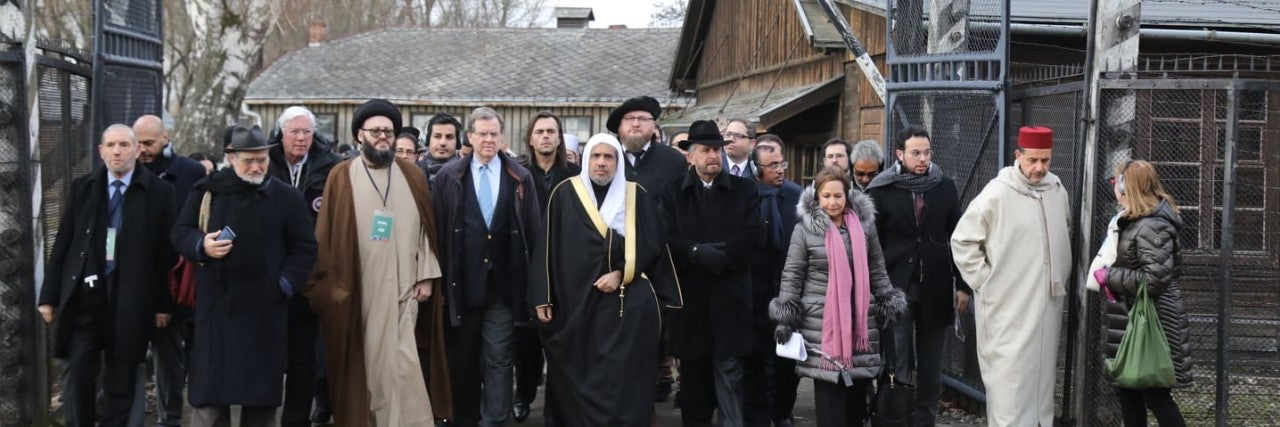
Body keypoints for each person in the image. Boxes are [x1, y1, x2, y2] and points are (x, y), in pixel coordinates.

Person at [305, 99, 451, 426]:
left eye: (388, 131)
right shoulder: (341, 176)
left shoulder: (413, 175)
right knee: (367, 367)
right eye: (376, 131)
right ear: (360, 135)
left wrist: (426, 276)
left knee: (404, 365)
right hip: (359, 291)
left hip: (405, 291)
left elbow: (427, 232)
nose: (383, 137)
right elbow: (326, 236)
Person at [531, 133, 683, 426]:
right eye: (596, 156)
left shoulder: (635, 194)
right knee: (576, 371)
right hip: (574, 305)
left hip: (623, 306)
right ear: (587, 160)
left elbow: (652, 245)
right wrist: (542, 296)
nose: (602, 163)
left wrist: (621, 274)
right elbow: (546, 248)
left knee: (623, 376)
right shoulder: (564, 193)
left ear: (618, 162)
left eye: (609, 157)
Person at [172, 125, 317, 427]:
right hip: (216, 312)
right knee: (210, 403)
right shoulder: (207, 190)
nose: (256, 167)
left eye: (261, 160)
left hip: (264, 313)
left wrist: (284, 285)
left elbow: (304, 247)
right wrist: (202, 245)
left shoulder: (286, 197)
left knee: (261, 403)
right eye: (248, 161)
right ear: (231, 157)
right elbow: (180, 233)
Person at [39, 124, 176, 427]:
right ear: (101, 151)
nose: (117, 151)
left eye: (124, 145)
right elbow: (63, 243)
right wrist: (49, 297)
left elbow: (165, 256)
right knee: (78, 369)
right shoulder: (83, 187)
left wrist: (163, 305)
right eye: (111, 145)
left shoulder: (160, 193)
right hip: (87, 295)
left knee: (121, 377)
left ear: (137, 150)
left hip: (131, 299)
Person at [950, 126, 1071, 427]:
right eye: (1033, 160)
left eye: (1045, 160)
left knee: (1041, 389)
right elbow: (962, 240)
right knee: (1010, 388)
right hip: (1007, 309)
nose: (1039, 168)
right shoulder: (998, 192)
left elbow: (1064, 235)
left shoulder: (1056, 190)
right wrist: (986, 282)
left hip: (1047, 306)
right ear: (1018, 156)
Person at [769, 166, 906, 427]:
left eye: (838, 196)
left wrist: (888, 300)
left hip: (861, 322)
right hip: (822, 325)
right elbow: (792, 275)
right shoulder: (804, 231)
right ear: (817, 198)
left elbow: (877, 268)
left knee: (856, 404)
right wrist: (786, 317)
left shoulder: (865, 228)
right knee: (830, 405)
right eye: (827, 196)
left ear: (848, 196)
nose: (833, 202)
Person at [434, 107, 542, 427]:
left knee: (499, 358)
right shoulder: (448, 177)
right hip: (462, 287)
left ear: (502, 137)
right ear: (470, 137)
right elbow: (438, 232)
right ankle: (465, 419)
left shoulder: (520, 178)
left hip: (503, 287)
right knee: (463, 360)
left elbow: (533, 235)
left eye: (494, 134)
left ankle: (495, 419)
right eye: (482, 133)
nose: (489, 140)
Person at [661, 120, 764, 427]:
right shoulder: (673, 192)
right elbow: (666, 239)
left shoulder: (744, 191)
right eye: (706, 150)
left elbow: (753, 236)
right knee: (694, 385)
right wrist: (695, 252)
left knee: (730, 378)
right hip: (691, 305)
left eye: (717, 150)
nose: (713, 156)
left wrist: (722, 255)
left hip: (730, 301)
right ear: (690, 156)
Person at [865, 125, 970, 426]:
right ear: (899, 154)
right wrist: (877, 288)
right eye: (915, 153)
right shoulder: (881, 189)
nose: (923, 159)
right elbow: (872, 245)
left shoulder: (944, 186)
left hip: (936, 287)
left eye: (927, 152)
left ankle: (925, 420)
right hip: (895, 288)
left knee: (931, 365)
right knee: (896, 363)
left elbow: (958, 238)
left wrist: (962, 285)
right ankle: (894, 418)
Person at [1093, 159, 1191, 427]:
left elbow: (1155, 279)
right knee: (1128, 391)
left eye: (1117, 183)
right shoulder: (1135, 221)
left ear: (1127, 187)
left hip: (1151, 323)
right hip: (1133, 318)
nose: (1115, 188)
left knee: (1154, 394)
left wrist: (1110, 277)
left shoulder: (1151, 225)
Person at [265, 105, 344, 427]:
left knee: (305, 359)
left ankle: (297, 420)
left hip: (313, 276)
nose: (301, 138)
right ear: (280, 134)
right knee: (268, 357)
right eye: (294, 132)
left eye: (307, 132)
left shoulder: (331, 168)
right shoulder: (264, 163)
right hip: (272, 277)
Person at [126, 115, 205, 427]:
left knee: (168, 355)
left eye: (148, 143)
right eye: (138, 143)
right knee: (127, 354)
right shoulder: (126, 171)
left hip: (171, 275)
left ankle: (170, 417)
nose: (142, 149)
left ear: (166, 138)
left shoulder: (190, 173)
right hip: (131, 276)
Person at [511, 110, 581, 423]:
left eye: (551, 131)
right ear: (530, 137)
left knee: (563, 341)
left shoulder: (576, 175)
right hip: (526, 265)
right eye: (540, 131)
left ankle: (560, 403)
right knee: (526, 342)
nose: (546, 137)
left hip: (565, 267)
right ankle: (524, 395)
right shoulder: (517, 172)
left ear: (559, 137)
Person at [745, 136, 803, 427]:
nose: (779, 170)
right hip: (756, 292)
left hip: (789, 292)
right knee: (757, 361)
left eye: (782, 163)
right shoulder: (747, 196)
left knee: (786, 363)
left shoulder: (797, 196)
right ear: (756, 170)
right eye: (772, 166)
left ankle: (782, 413)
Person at [612, 96, 687, 193]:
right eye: (629, 118)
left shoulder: (675, 160)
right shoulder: (605, 157)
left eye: (642, 119)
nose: (635, 124)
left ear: (653, 126)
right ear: (619, 126)